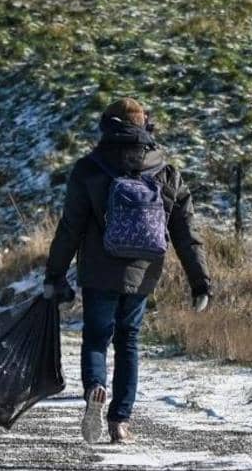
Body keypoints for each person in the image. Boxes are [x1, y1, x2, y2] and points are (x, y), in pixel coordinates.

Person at [44, 98, 211, 445]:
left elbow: (70, 228)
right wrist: (200, 282)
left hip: (98, 270)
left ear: (109, 124)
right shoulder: (166, 171)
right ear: (145, 125)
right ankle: (120, 421)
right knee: (128, 341)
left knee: (96, 337)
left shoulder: (89, 169)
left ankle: (95, 388)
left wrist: (55, 275)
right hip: (143, 270)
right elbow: (186, 232)